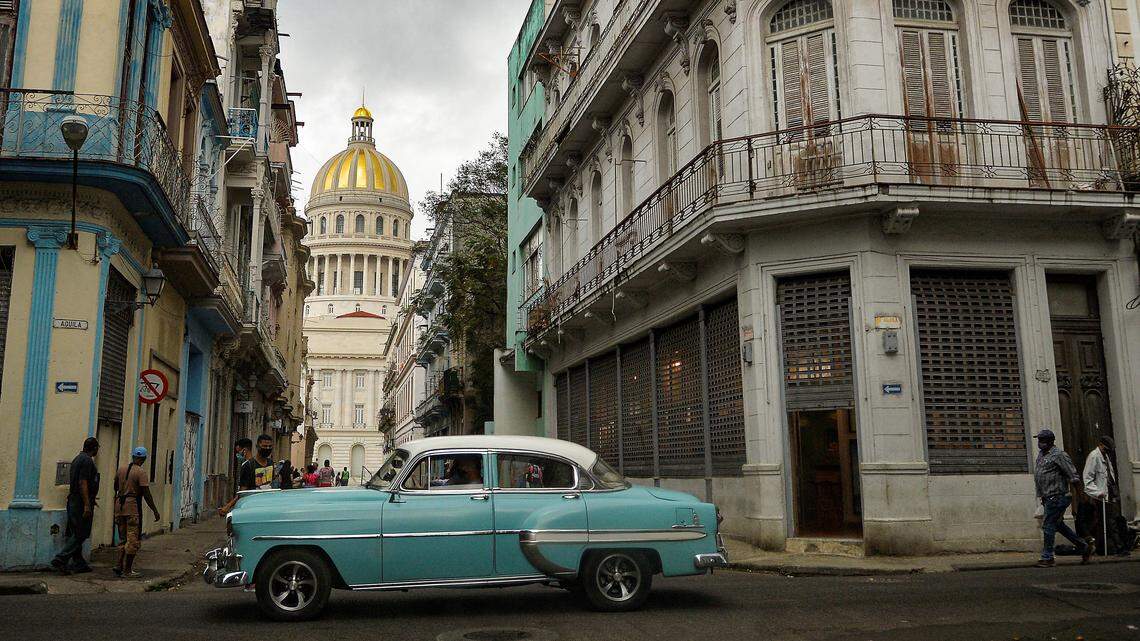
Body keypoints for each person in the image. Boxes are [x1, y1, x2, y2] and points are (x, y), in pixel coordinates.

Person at [1033, 429, 1092, 567]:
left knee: (1048, 525)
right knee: (1057, 524)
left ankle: (1047, 557)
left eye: (1042, 440)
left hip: (1058, 496)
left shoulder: (1059, 455)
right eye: (1039, 440)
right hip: (1048, 497)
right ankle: (1083, 546)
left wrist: (1081, 496)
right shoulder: (1041, 455)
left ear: (1050, 441)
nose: (1039, 443)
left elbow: (1073, 476)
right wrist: (1042, 496)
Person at [51, 437, 100, 575]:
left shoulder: (77, 459)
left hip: (74, 499)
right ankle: (61, 558)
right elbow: (82, 482)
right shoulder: (87, 461)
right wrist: (86, 504)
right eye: (97, 448)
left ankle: (79, 563)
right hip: (79, 501)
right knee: (81, 532)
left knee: (75, 531)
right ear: (94, 448)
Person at [112, 447, 160, 578]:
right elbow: (146, 493)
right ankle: (127, 570)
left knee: (122, 538)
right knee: (133, 539)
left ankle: (118, 564)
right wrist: (155, 510)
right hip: (132, 507)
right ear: (143, 459)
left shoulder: (121, 469)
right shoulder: (141, 472)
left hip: (119, 506)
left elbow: (115, 486)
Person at [1081, 436, 1126, 555]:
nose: (1107, 451)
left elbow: (1109, 476)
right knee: (1110, 522)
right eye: (1105, 449)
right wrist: (1097, 492)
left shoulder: (1106, 456)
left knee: (1105, 522)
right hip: (1100, 496)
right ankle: (1119, 547)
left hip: (1108, 494)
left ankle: (1101, 548)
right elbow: (1087, 478)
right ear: (1100, 445)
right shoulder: (1094, 456)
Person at [218, 434, 275, 515]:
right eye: (264, 446)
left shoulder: (271, 463)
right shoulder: (248, 465)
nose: (267, 449)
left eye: (270, 446)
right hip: (252, 507)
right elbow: (243, 492)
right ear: (257, 446)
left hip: (268, 506)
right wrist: (228, 506)